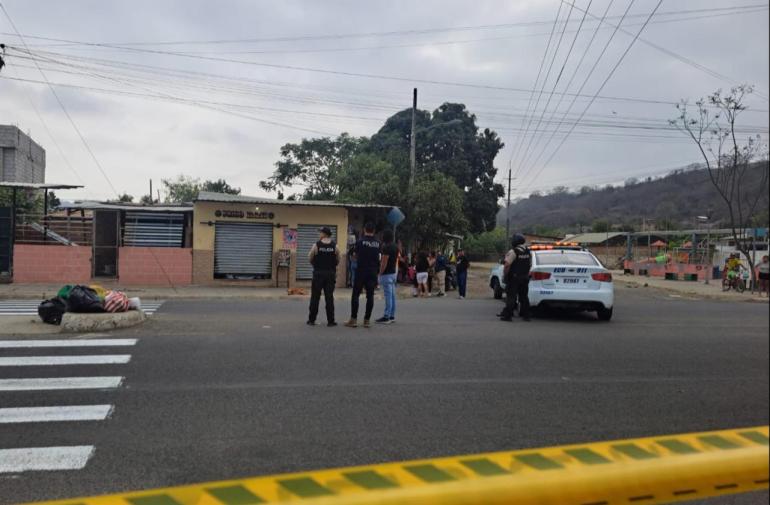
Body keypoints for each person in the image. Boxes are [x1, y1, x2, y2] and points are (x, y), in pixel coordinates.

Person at [346, 222, 380, 328]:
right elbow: (379, 257)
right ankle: (366, 320)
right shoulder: (378, 243)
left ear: (365, 229)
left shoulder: (360, 242)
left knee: (355, 294)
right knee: (370, 296)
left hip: (361, 271)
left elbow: (353, 254)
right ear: (374, 231)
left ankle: (353, 320)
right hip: (373, 272)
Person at [307, 227, 340, 327]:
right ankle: (331, 321)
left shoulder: (316, 245)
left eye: (320, 232)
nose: (319, 234)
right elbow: (338, 260)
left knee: (315, 298)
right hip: (330, 274)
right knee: (329, 297)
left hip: (318, 274)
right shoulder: (335, 246)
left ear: (325, 234)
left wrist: (316, 265)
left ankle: (312, 320)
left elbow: (310, 258)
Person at [499, 233, 532, 322]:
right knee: (524, 297)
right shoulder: (528, 251)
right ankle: (527, 316)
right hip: (524, 278)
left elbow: (507, 265)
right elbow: (529, 264)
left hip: (514, 278)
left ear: (515, 241)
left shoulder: (514, 251)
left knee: (511, 297)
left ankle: (508, 316)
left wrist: (505, 275)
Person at [376, 229, 398, 324]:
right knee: (392, 295)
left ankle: (386, 316)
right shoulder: (395, 247)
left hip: (386, 274)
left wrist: (380, 272)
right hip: (393, 273)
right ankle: (392, 315)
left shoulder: (386, 247)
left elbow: (384, 262)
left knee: (388, 295)